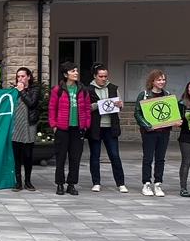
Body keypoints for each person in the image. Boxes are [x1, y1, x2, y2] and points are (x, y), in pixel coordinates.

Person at [48, 63, 92, 195]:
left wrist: (86, 125)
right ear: (66, 74)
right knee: (61, 157)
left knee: (75, 158)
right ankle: (60, 184)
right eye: (73, 71)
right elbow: (52, 108)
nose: (76, 73)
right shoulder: (58, 90)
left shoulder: (83, 90)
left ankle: (71, 184)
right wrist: (54, 126)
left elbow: (87, 108)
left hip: (77, 129)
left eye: (77, 71)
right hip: (62, 129)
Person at [85, 65, 127, 193]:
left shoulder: (113, 88)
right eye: (101, 76)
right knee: (95, 156)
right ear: (95, 76)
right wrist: (98, 105)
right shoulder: (88, 89)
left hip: (111, 126)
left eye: (105, 76)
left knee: (114, 155)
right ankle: (96, 182)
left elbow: (121, 105)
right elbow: (86, 108)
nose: (103, 78)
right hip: (96, 127)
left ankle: (121, 183)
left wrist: (120, 105)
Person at [133, 70, 173, 197]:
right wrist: (147, 125)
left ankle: (158, 183)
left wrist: (175, 121)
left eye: (163, 79)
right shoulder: (144, 95)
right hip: (149, 132)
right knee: (148, 158)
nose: (162, 82)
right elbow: (137, 113)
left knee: (160, 158)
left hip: (164, 132)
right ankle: (146, 183)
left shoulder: (167, 94)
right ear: (152, 81)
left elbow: (171, 112)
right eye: (159, 80)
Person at [11, 67, 42, 192]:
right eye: (18, 76)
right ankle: (18, 182)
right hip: (16, 126)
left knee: (27, 155)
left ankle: (28, 181)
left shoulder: (34, 89)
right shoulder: (14, 91)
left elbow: (32, 103)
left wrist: (22, 90)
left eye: (23, 76)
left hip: (28, 125)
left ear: (29, 77)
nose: (20, 79)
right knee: (16, 156)